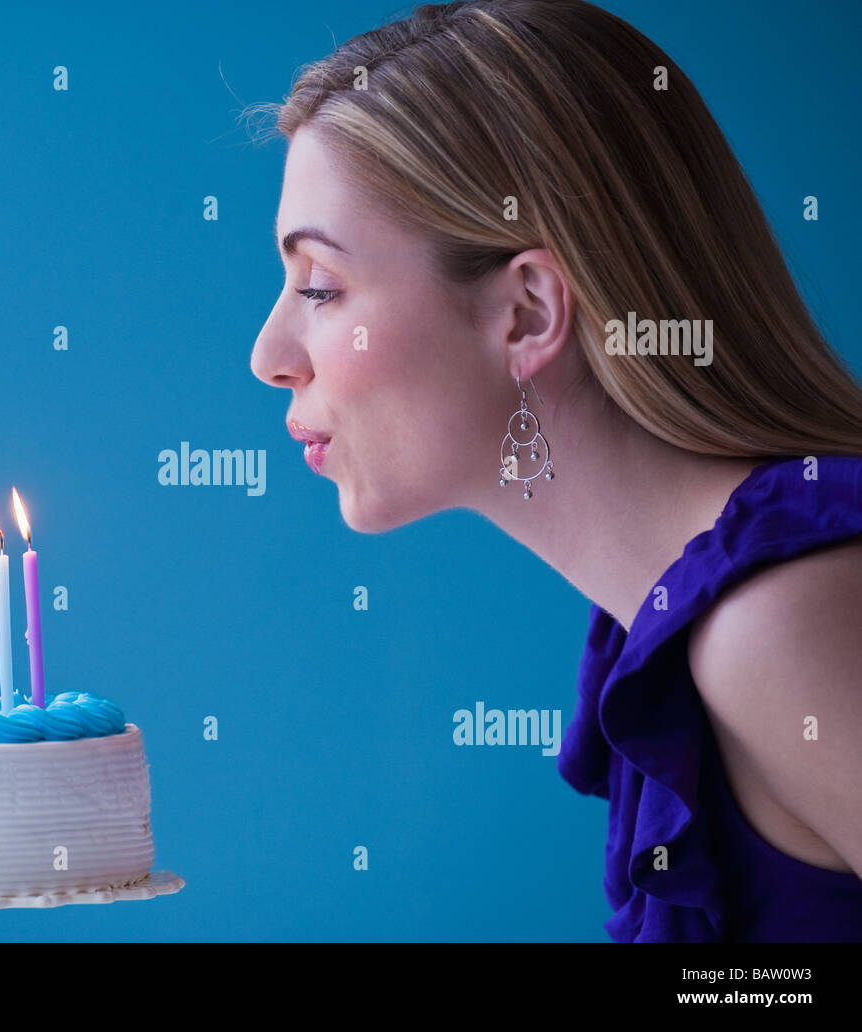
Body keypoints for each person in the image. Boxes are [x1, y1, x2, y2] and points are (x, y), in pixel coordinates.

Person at [248, 0, 862, 942]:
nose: (269, 352)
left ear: (529, 312)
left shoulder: (777, 623)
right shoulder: (666, 629)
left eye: (322, 287)